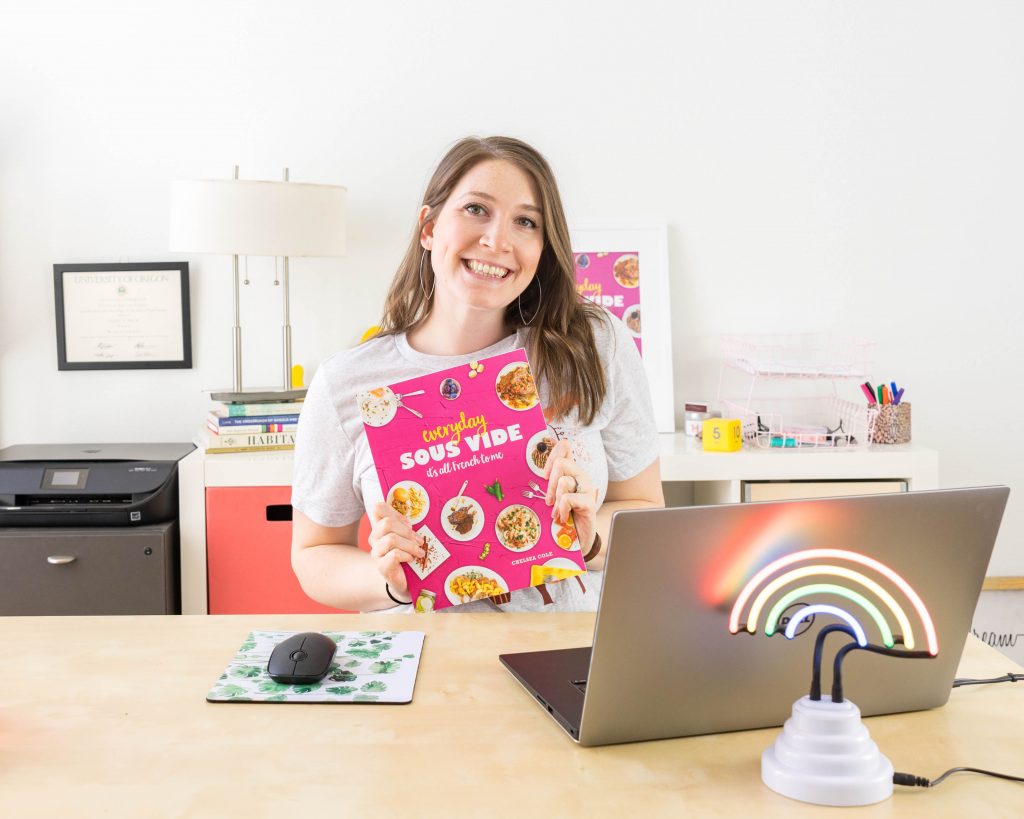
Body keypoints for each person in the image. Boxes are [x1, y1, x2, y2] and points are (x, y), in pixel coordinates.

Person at [290, 136, 663, 612]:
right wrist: (387, 579)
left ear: (543, 248)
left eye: (525, 222)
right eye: (476, 210)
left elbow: (646, 509)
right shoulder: (348, 382)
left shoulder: (593, 343)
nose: (497, 241)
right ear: (428, 227)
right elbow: (314, 554)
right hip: (422, 661)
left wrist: (587, 541)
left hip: (563, 658)